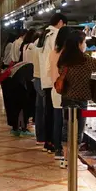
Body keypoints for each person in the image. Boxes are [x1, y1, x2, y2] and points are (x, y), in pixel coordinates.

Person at [57, 30, 96, 169]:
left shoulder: (64, 58)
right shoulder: (84, 59)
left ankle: (65, 159)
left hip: (66, 97)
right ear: (79, 43)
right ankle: (73, 160)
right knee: (78, 131)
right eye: (84, 42)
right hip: (80, 99)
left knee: (66, 128)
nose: (85, 44)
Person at [37, 13, 68, 153]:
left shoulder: (44, 34)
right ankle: (54, 143)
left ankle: (47, 142)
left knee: (48, 111)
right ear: (60, 22)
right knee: (54, 113)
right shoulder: (55, 34)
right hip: (54, 79)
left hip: (46, 78)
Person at [49, 27, 72, 160]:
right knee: (64, 122)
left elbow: (49, 70)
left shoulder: (53, 52)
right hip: (65, 90)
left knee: (57, 120)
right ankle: (62, 150)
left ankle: (57, 148)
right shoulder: (67, 54)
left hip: (55, 88)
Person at [0, 61, 34, 137]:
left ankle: (15, 129)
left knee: (12, 107)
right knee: (23, 106)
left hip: (6, 82)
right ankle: (23, 130)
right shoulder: (32, 68)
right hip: (14, 83)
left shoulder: (26, 64)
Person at [29, 31, 45, 145]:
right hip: (43, 79)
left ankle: (40, 137)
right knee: (44, 110)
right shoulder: (43, 46)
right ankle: (45, 138)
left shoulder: (35, 45)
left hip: (37, 77)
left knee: (39, 109)